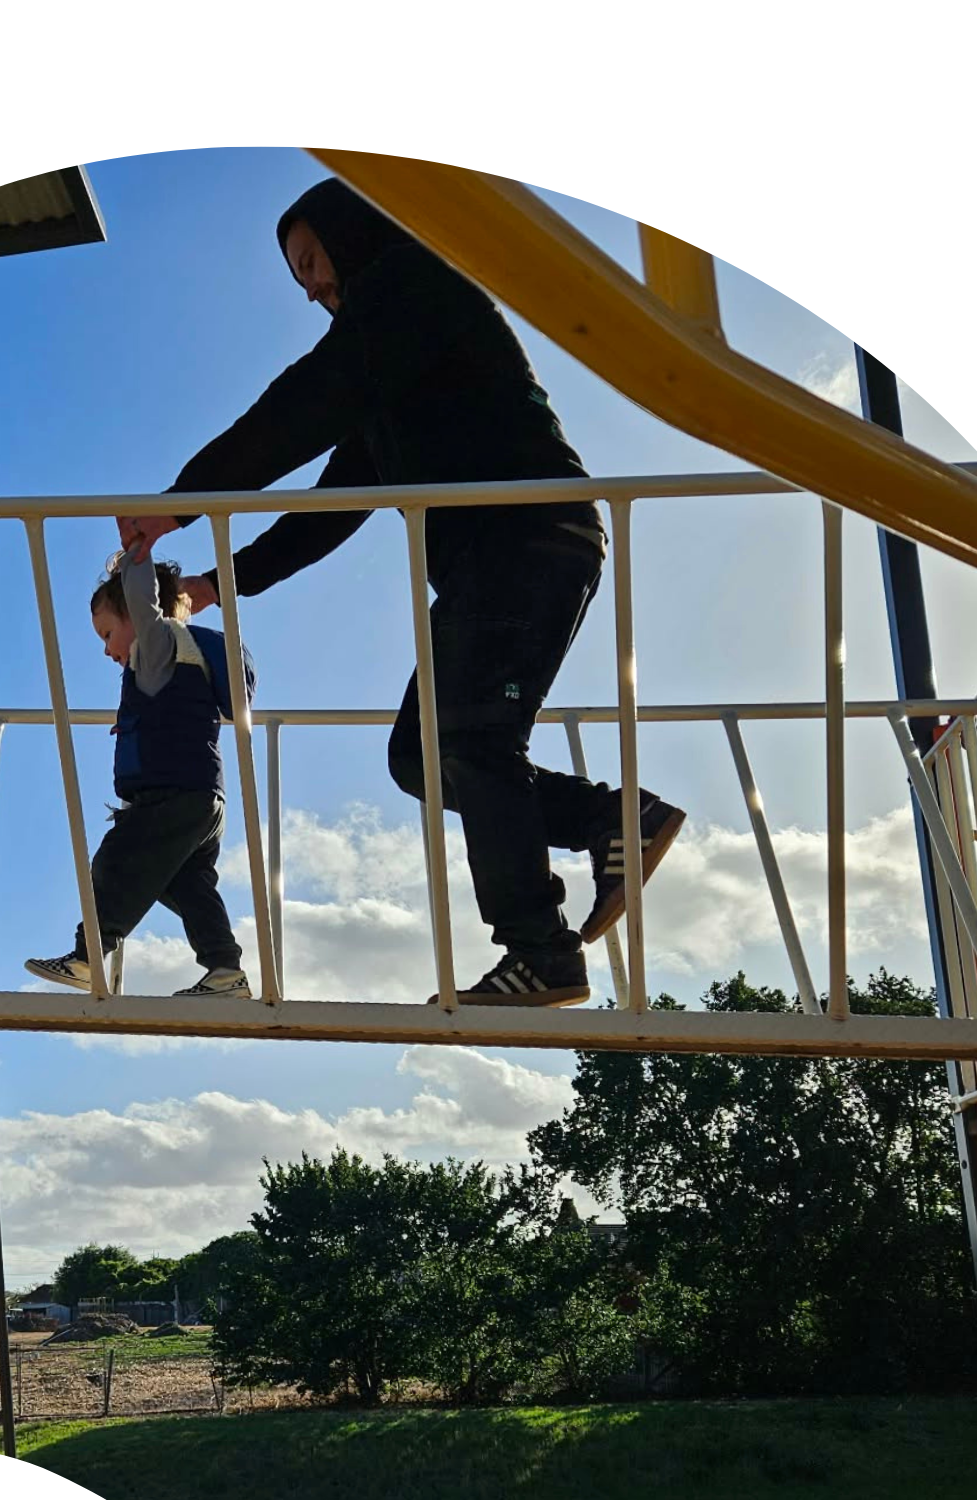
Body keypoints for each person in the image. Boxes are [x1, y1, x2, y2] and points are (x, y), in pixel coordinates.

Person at [118, 176, 685, 1008]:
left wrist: (184, 498)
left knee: (475, 740)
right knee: (419, 757)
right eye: (298, 277)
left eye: (313, 260)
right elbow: (332, 508)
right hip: (499, 558)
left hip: (528, 538)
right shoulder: (389, 370)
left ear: (354, 236)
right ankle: (614, 821)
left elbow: (307, 402)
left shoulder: (417, 283)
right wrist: (214, 583)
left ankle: (542, 951)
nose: (311, 285)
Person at [23, 542, 255, 999]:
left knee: (114, 863)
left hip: (171, 796)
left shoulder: (158, 643)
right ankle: (226, 972)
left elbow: (143, 600)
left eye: (108, 633)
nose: (108, 650)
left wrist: (136, 551)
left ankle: (88, 957)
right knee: (188, 886)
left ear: (135, 615)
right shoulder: (184, 656)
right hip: (205, 799)